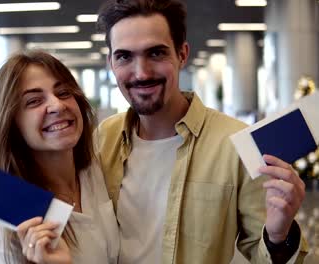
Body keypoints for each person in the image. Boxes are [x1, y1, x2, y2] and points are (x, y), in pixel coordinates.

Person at [94, 0, 308, 263]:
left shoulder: (235, 144)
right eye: (124, 56)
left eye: (156, 53)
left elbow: (264, 254)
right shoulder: (103, 139)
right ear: (111, 62)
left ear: (182, 54)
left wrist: (279, 236)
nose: (141, 73)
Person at [0, 51, 119, 263]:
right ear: (12, 124)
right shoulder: (16, 220)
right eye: (34, 101)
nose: (57, 105)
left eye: (63, 93)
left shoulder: (97, 171)